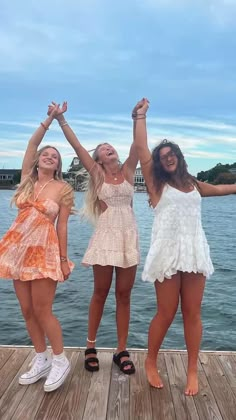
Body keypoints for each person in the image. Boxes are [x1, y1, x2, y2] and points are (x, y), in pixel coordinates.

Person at [132, 98, 236, 396]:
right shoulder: (155, 183)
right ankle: (151, 361)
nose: (167, 158)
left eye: (171, 153)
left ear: (178, 156)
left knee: (193, 312)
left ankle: (192, 370)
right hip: (167, 251)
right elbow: (142, 150)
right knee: (166, 312)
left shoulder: (192, 182)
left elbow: (219, 189)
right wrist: (141, 116)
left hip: (193, 251)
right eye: (163, 155)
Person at [47, 101, 139, 374]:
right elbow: (77, 147)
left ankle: (121, 350)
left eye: (111, 146)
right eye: (103, 148)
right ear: (98, 159)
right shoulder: (98, 174)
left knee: (124, 295)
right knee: (100, 292)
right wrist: (61, 120)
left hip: (128, 237)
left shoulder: (129, 172)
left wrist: (137, 117)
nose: (108, 148)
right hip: (105, 238)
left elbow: (138, 145)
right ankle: (90, 346)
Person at [0, 106, 74, 392]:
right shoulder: (27, 181)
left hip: (44, 251)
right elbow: (32, 144)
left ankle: (60, 360)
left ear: (57, 165)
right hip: (18, 249)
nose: (48, 156)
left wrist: (64, 260)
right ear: (38, 159)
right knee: (27, 309)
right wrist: (50, 119)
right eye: (46, 153)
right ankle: (40, 357)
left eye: (54, 156)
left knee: (44, 310)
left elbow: (62, 227)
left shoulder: (63, 189)